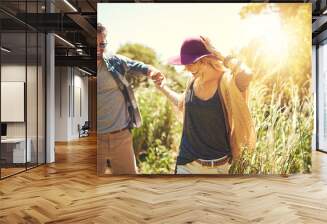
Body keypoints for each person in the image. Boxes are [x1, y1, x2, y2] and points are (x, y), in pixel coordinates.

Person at [155, 36, 256, 174]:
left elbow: (246, 74)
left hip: (219, 167)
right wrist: (163, 88)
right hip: (187, 164)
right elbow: (182, 103)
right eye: (185, 64)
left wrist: (217, 52)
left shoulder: (226, 82)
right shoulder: (192, 81)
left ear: (205, 60)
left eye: (191, 63)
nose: (186, 68)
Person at [97, 23, 164, 175]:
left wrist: (153, 72)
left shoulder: (114, 61)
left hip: (120, 136)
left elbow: (140, 66)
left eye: (102, 44)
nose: (98, 49)